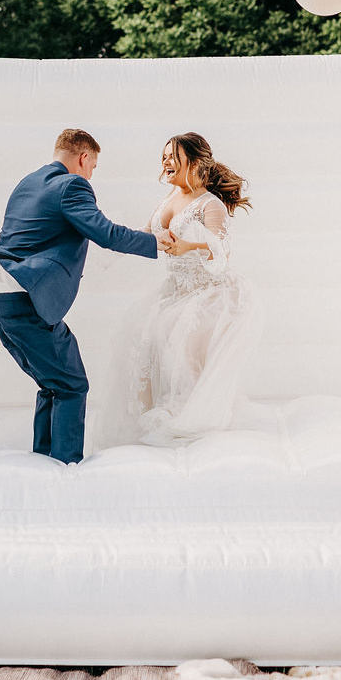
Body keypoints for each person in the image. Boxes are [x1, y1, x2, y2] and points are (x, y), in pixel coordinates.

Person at [0, 128, 165, 464]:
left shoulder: (27, 183)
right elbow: (104, 232)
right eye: (93, 166)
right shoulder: (73, 185)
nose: (91, 174)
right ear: (83, 157)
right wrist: (156, 242)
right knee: (71, 386)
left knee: (53, 383)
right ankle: (64, 469)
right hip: (23, 299)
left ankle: (43, 464)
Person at [125, 131, 258, 446]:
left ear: (195, 162)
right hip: (174, 291)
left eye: (174, 155)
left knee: (181, 356)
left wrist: (187, 246)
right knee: (146, 341)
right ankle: (158, 414)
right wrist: (108, 238)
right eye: (165, 154)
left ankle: (188, 421)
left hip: (207, 295)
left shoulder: (209, 204)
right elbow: (145, 234)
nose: (166, 161)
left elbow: (222, 249)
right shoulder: (169, 199)